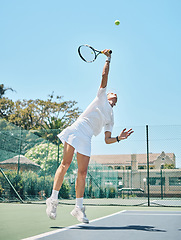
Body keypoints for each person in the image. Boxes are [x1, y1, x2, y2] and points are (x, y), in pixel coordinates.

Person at [46, 49, 133, 224]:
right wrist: (108, 59)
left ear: (116, 102)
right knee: (65, 164)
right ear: (107, 95)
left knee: (83, 173)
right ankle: (53, 200)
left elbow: (107, 140)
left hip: (87, 138)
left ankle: (78, 208)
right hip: (77, 129)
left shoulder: (111, 117)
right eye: (111, 93)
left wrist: (118, 138)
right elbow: (104, 77)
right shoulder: (101, 97)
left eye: (116, 96)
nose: (114, 95)